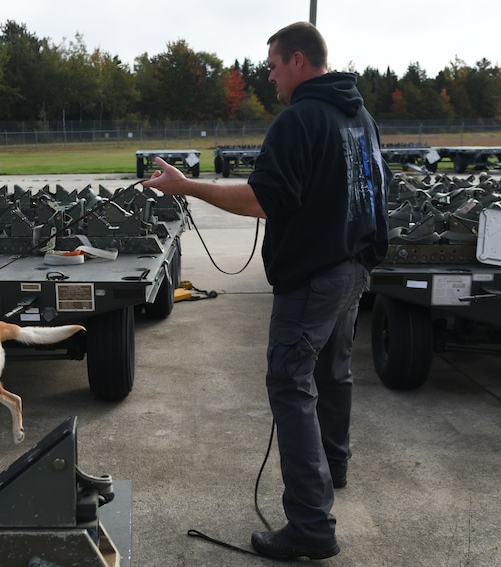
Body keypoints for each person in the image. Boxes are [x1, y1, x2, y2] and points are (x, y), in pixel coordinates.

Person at [142, 21, 391, 561]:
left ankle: (310, 525)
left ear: (299, 61)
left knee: (290, 384)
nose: (271, 76)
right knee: (333, 372)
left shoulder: (299, 119)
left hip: (314, 279)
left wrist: (186, 187)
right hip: (353, 269)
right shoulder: (360, 116)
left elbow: (262, 200)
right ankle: (334, 469)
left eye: (275, 65)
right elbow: (376, 190)